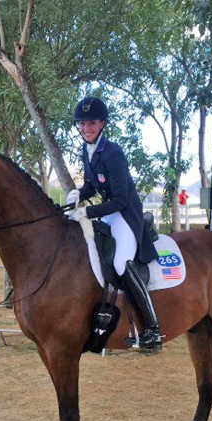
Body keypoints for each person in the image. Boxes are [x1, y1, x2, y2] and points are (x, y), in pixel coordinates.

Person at [66, 95, 162, 350]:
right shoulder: (87, 150)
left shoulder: (113, 152)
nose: (86, 129)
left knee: (121, 262)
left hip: (126, 214)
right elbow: (91, 184)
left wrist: (88, 212)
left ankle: (152, 329)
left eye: (92, 123)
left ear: (102, 124)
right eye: (82, 124)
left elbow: (120, 200)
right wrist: (78, 194)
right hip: (110, 212)